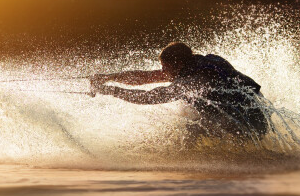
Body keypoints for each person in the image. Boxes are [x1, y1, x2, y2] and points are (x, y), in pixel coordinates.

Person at [90, 42, 268, 141]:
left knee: (188, 130)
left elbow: (149, 97)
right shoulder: (195, 64)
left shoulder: (196, 79)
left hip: (249, 124)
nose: (163, 72)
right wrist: (109, 76)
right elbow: (146, 77)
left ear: (178, 64)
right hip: (255, 114)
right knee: (194, 118)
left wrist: (110, 90)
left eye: (165, 67)